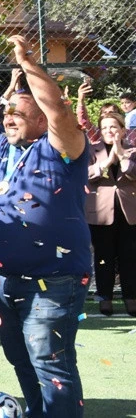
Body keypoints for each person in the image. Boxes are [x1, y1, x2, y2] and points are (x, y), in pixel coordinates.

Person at [0, 35, 91, 417]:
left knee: (51, 364)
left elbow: (60, 112)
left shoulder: (64, 146)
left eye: (19, 112)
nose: (8, 116)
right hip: (5, 282)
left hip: (54, 280)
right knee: (23, 360)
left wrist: (29, 65)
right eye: (7, 110)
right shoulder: (0, 143)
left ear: (41, 120)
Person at [85, 112, 136, 316]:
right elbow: (86, 175)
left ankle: (131, 297)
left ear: (123, 130)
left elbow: (133, 173)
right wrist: (106, 163)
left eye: (113, 127)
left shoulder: (132, 151)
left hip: (129, 211)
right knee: (103, 256)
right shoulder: (91, 150)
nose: (109, 131)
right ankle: (104, 297)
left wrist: (121, 155)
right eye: (104, 128)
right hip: (101, 212)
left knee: (130, 256)